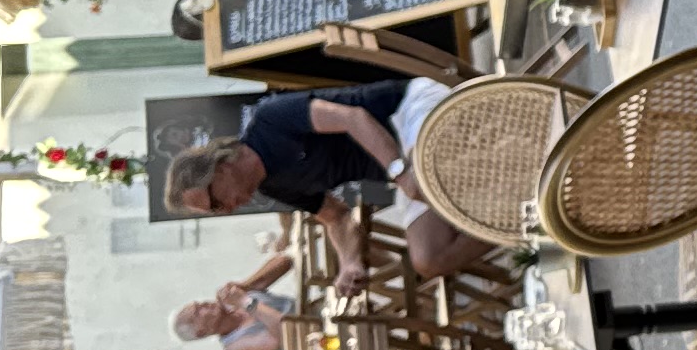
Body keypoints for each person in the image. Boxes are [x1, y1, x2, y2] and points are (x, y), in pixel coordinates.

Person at [162, 78, 490, 280]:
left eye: (216, 203)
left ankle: (521, 179)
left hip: (406, 113)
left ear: (218, 169)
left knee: (429, 181)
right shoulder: (273, 186)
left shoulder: (269, 121)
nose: (227, 211)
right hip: (408, 170)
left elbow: (353, 118)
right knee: (427, 260)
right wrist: (349, 263)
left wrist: (398, 171)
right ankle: (519, 225)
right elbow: (336, 217)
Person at [173, 247, 298, 350]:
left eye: (199, 303)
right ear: (201, 332)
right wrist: (245, 302)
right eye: (198, 311)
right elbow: (288, 333)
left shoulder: (234, 300)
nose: (204, 303)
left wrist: (247, 285)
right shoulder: (234, 348)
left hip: (311, 307)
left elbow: (285, 261)